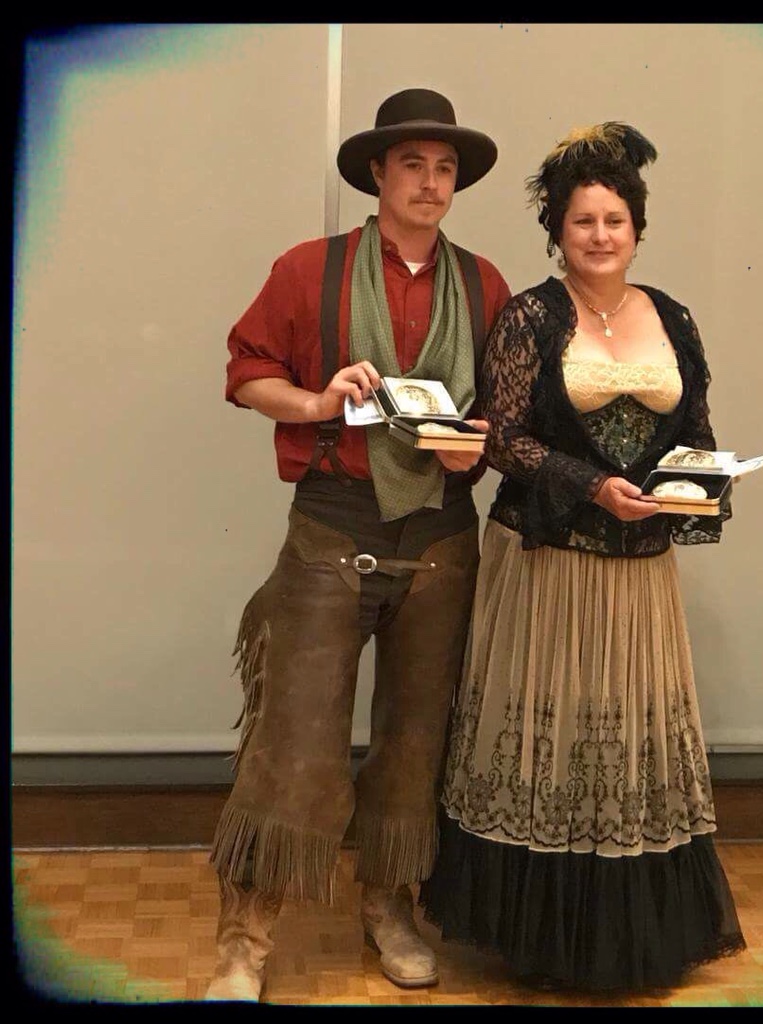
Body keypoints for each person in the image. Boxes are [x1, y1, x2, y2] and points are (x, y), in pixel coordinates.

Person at [420, 122, 747, 990]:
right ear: (557, 232)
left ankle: (631, 937)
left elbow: (697, 428)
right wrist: (592, 485)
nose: (600, 236)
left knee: (627, 744)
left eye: (614, 220)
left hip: (641, 571)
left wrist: (698, 482)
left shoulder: (672, 316)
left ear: (637, 227)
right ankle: (543, 940)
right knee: (554, 740)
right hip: (549, 562)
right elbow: (501, 438)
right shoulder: (531, 316)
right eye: (582, 222)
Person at [204, 88, 511, 1001]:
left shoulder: (484, 286)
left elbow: (506, 417)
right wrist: (315, 401)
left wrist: (478, 445)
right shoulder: (311, 269)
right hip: (333, 526)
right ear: (378, 173)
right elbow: (247, 370)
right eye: (412, 164)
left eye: (444, 168)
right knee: (294, 744)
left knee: (415, 744)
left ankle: (389, 907)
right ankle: (244, 941)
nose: (430, 182)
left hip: (442, 538)